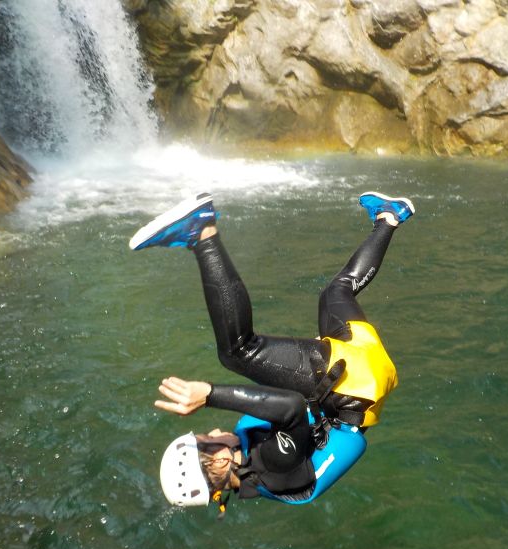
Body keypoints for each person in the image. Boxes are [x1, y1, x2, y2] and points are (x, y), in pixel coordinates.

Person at [129, 191, 415, 515]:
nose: (213, 431)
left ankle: (389, 217)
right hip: (351, 385)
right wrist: (209, 395)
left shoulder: (253, 455)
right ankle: (200, 232)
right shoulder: (274, 470)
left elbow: (290, 396)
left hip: (357, 367)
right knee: (238, 351)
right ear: (221, 459)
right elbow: (292, 407)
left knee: (338, 290)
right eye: (206, 437)